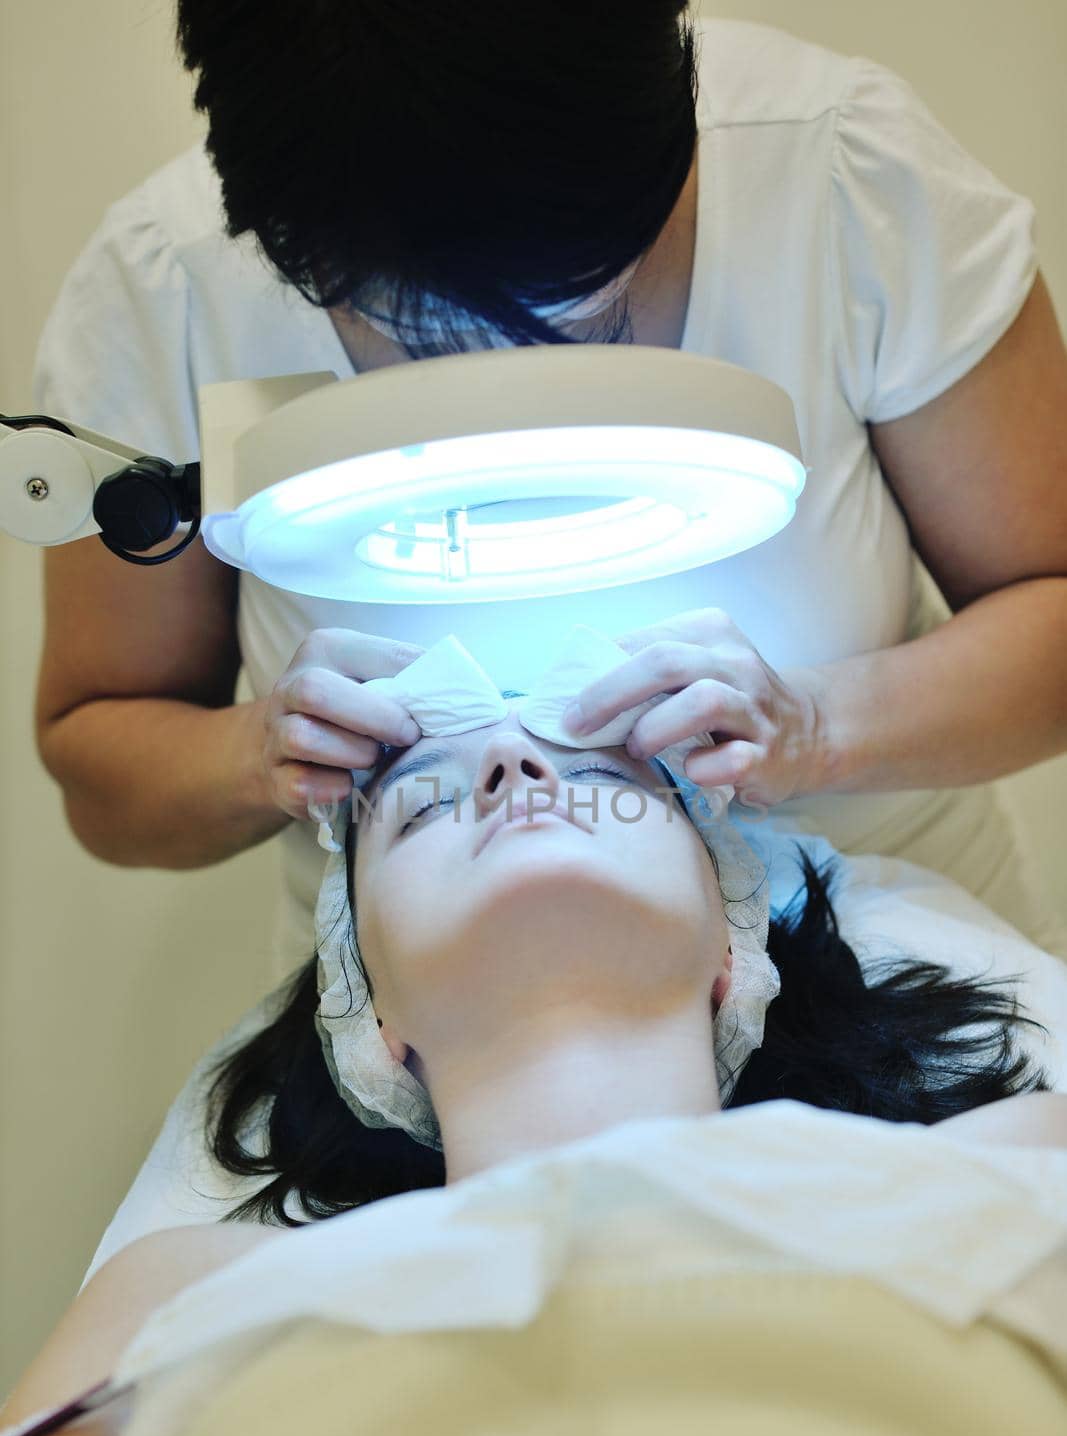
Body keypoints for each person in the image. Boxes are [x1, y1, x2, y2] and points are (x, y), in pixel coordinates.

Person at [30, 4, 1067, 980]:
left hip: (895, 976)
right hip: (434, 1047)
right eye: (404, 321)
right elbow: (103, 756)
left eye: (573, 301)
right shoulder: (167, 282)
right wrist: (259, 756)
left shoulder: (840, 171)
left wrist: (816, 728)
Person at [3, 708, 1065, 1436]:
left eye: (607, 775)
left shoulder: (1013, 1149)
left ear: (731, 959)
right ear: (372, 1023)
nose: (516, 770)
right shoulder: (189, 1280)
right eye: (421, 806)